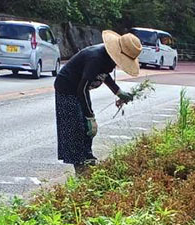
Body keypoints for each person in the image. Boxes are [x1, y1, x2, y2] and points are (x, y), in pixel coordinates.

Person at [54, 31, 142, 174]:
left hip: (80, 89)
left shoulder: (108, 58)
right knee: (78, 127)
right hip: (68, 88)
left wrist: (118, 92)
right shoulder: (95, 58)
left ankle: (88, 157)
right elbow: (82, 87)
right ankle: (81, 167)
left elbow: (104, 75)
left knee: (88, 130)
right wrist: (90, 117)